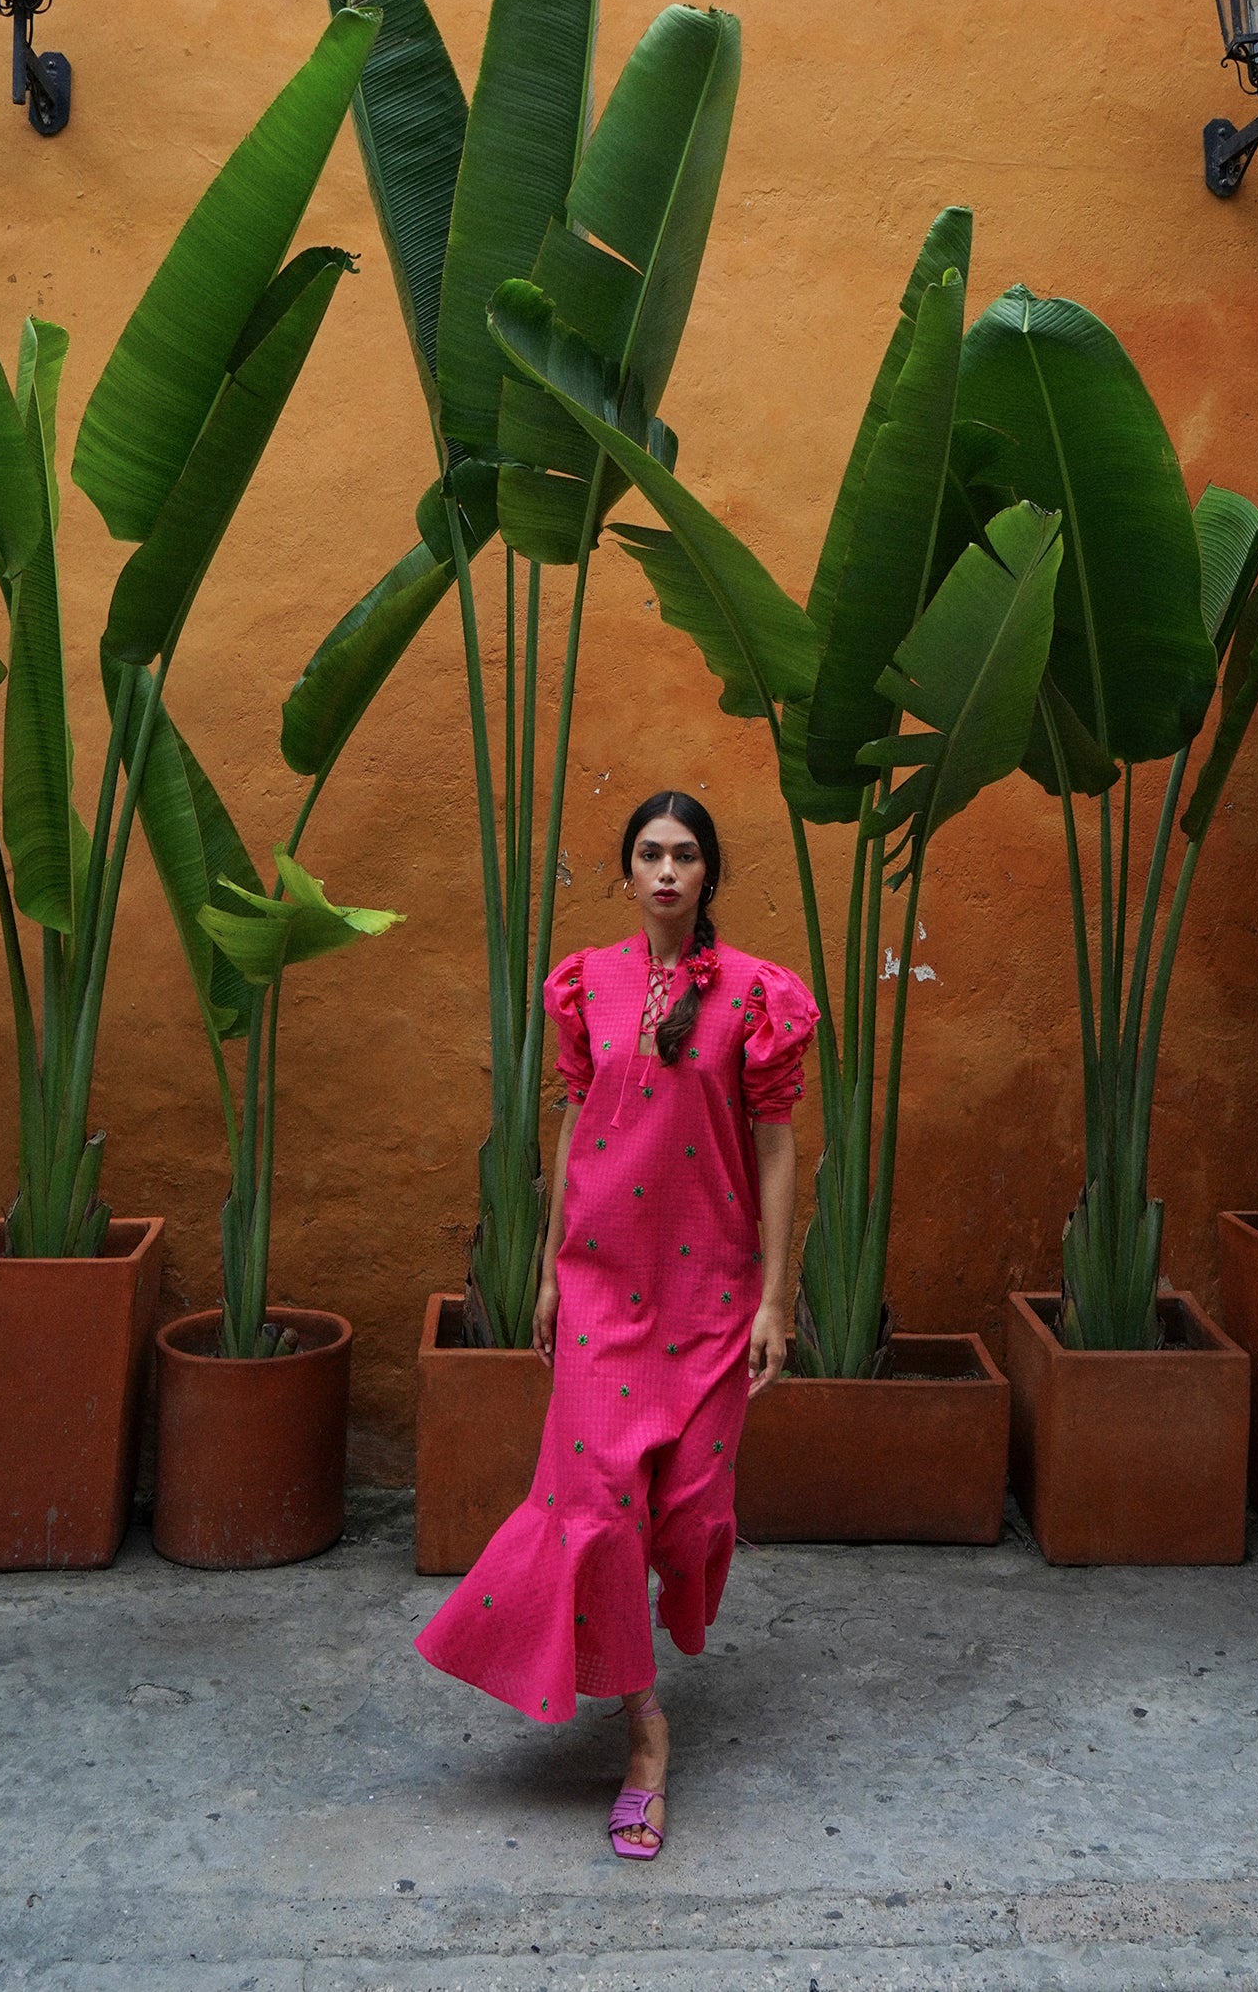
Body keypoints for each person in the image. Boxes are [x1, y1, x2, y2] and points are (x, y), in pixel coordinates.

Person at [414, 791, 818, 1860]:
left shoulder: (757, 995)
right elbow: (575, 1127)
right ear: (627, 873)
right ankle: (645, 1733)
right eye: (650, 853)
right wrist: (551, 1272)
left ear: (708, 873)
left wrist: (775, 1298)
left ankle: (641, 1646)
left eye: (686, 854)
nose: (668, 870)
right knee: (597, 1508)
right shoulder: (586, 982)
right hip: (600, 1291)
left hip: (712, 1293)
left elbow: (777, 1147)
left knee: (687, 1514)